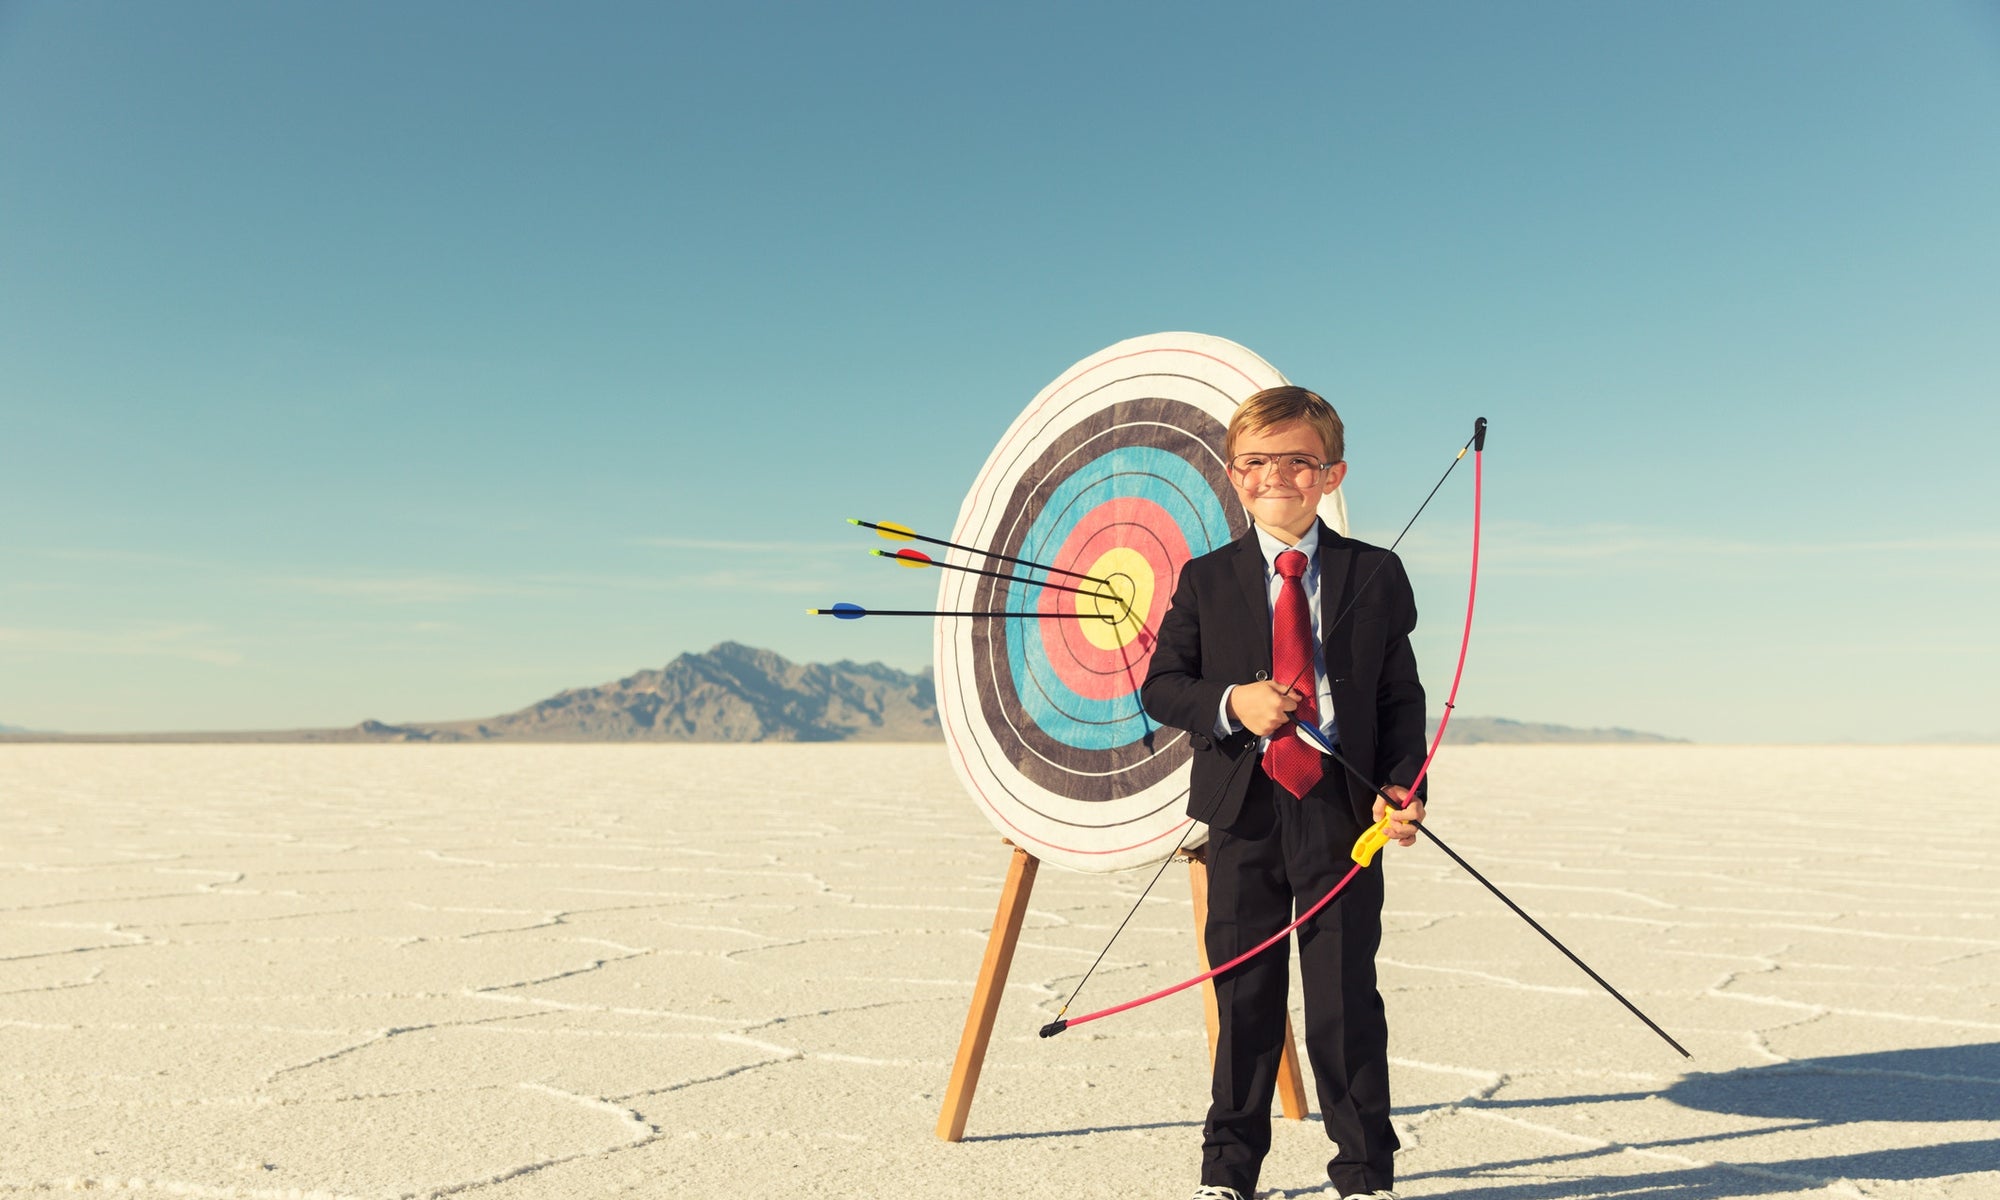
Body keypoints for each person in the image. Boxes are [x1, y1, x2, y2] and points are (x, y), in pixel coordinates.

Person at [1140, 386, 1428, 1200]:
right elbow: (1163, 688)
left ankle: (1364, 1174)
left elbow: (1400, 699)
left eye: (1299, 462)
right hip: (1243, 811)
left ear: (1331, 474)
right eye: (1258, 463)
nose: (1279, 477)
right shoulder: (1205, 578)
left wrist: (1403, 785)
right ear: (1235, 476)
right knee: (1246, 1000)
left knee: (1343, 1000)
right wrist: (1236, 702)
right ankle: (1228, 1173)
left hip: (1342, 809)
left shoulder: (1377, 571)